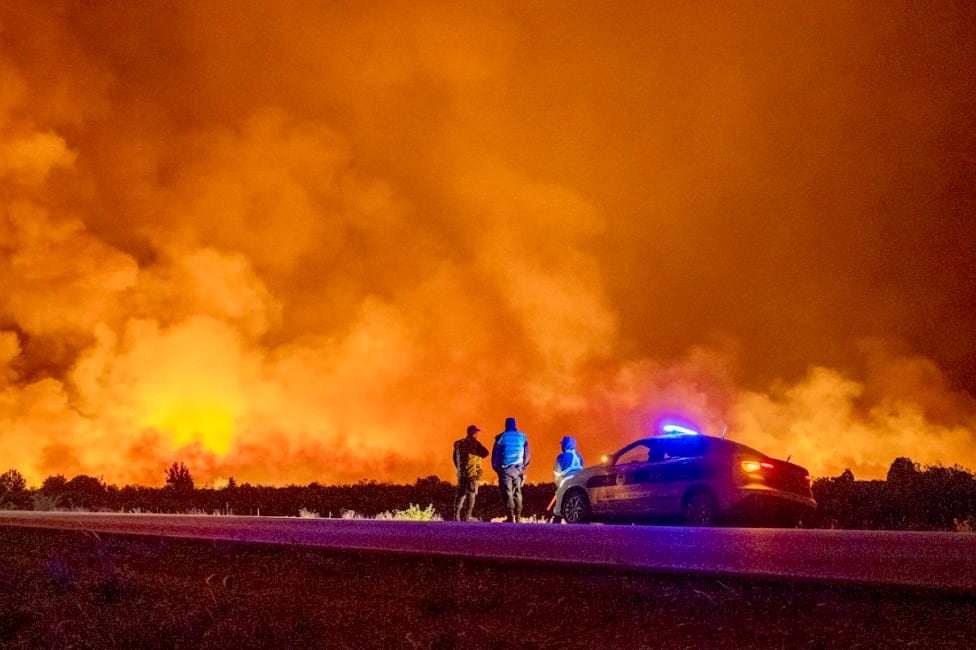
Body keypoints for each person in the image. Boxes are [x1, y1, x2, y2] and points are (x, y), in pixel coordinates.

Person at [491, 417, 530, 523]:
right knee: (517, 492)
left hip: (506, 468)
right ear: (515, 425)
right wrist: (523, 467)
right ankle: (518, 516)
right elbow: (527, 454)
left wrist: (496, 468)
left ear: (506, 425)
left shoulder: (501, 437)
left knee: (507, 492)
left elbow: (495, 454)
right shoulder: (522, 437)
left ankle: (510, 516)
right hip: (518, 468)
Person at [453, 424, 489, 521]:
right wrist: (476, 454)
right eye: (477, 432)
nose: (478, 434)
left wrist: (460, 468)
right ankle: (467, 516)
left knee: (460, 494)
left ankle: (456, 515)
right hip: (472, 473)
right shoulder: (475, 444)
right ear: (474, 433)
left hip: (461, 473)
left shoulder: (459, 444)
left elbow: (455, 459)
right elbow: (486, 453)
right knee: (471, 494)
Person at [550, 436, 584, 522]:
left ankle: (556, 518)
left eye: (562, 444)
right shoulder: (579, 456)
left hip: (564, 482)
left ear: (565, 445)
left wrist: (557, 483)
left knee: (559, 502)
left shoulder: (561, 456)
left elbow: (556, 472)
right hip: (579, 482)